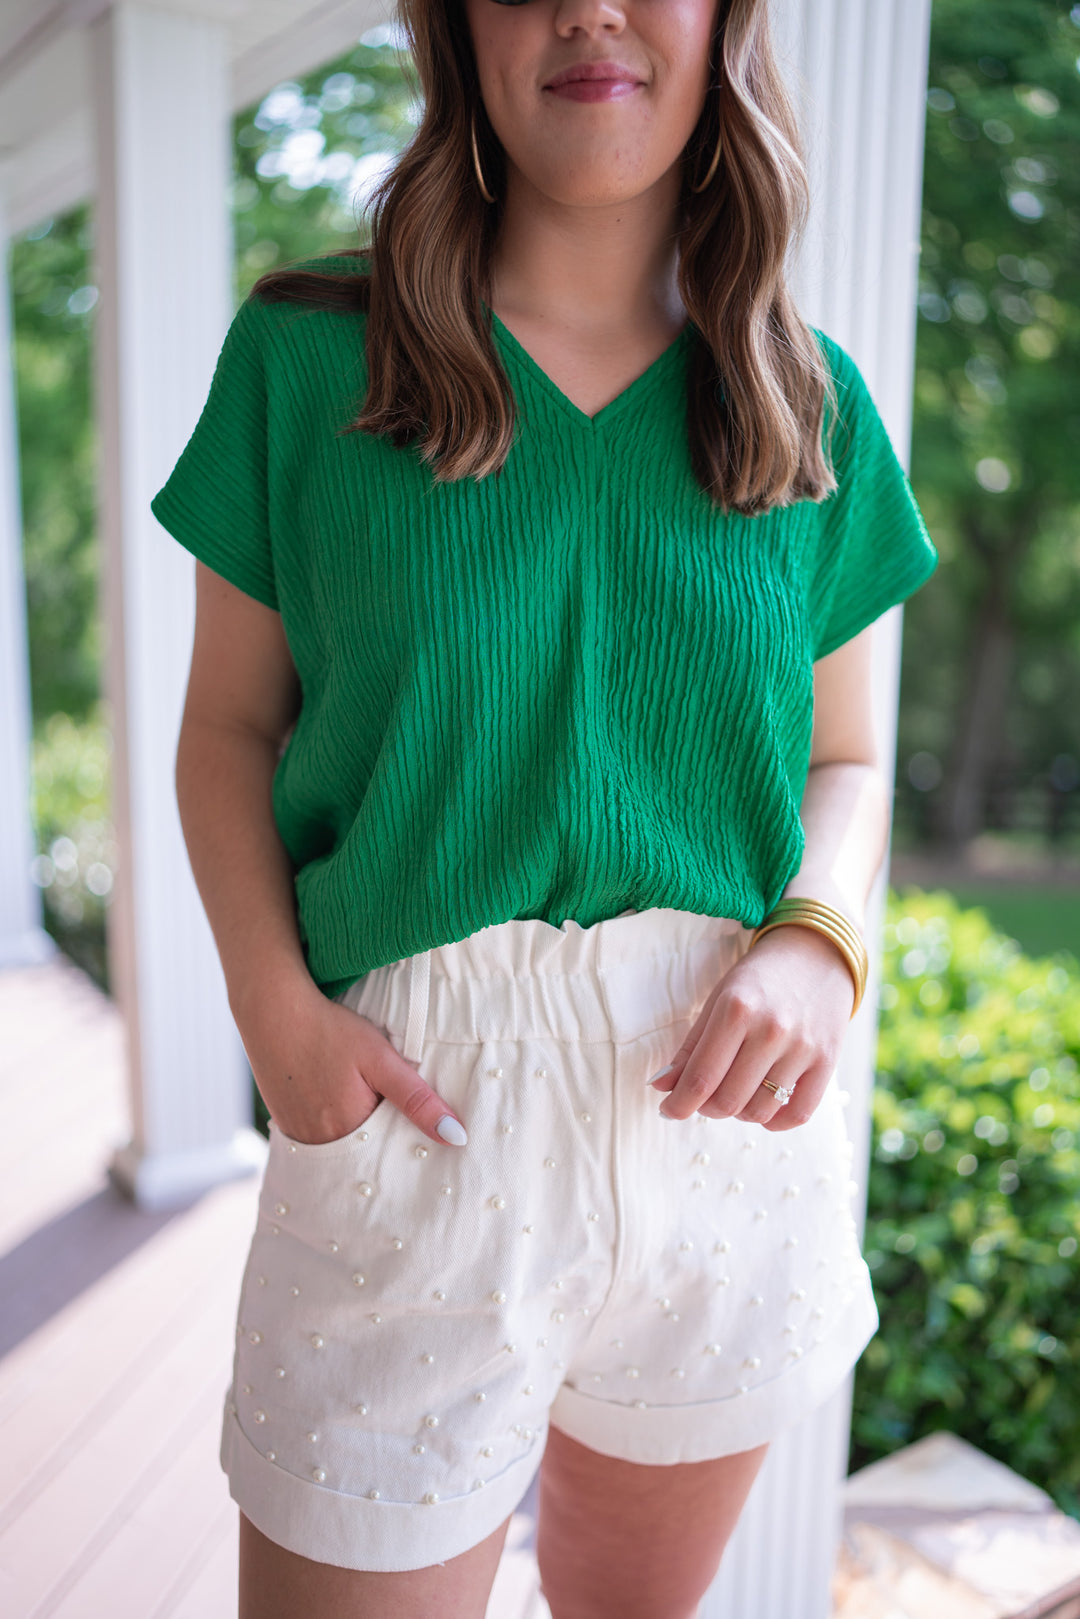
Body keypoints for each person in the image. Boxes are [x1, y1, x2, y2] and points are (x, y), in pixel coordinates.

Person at [150, 0, 938, 1612]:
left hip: (721, 1123)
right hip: (407, 1110)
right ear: (457, 29)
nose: (590, 6)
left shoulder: (808, 398)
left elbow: (849, 760)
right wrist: (275, 1021)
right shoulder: (309, 359)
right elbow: (226, 730)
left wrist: (819, 943)